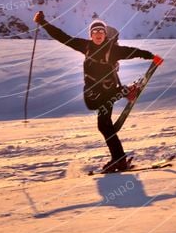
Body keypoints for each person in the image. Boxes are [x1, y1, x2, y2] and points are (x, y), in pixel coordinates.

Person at [33, 12, 160, 173]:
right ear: (91, 35)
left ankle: (119, 159)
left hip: (108, 93)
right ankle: (126, 92)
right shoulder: (84, 46)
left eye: (101, 32)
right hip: (94, 93)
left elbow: (133, 51)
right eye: (95, 32)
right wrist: (43, 23)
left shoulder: (112, 50)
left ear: (105, 34)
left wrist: (151, 56)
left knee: (104, 125)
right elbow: (62, 37)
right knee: (102, 122)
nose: (98, 35)